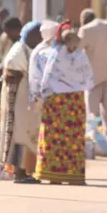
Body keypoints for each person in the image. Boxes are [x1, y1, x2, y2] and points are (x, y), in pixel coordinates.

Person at [33, 21, 94, 185]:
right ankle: (74, 175)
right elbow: (89, 78)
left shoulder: (52, 53)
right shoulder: (81, 55)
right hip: (75, 101)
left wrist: (39, 95)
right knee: (74, 139)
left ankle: (54, 174)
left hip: (56, 101)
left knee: (54, 138)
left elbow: (45, 77)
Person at [0, 21, 42, 184]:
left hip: (26, 98)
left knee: (26, 133)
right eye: (37, 33)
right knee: (20, 133)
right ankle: (19, 172)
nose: (40, 37)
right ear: (29, 34)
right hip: (18, 99)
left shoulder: (29, 49)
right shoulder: (18, 51)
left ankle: (25, 170)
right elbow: (12, 74)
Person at [78, 8, 107, 152]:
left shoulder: (86, 30)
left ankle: (93, 145)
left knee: (92, 115)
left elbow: (77, 51)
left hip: (92, 79)